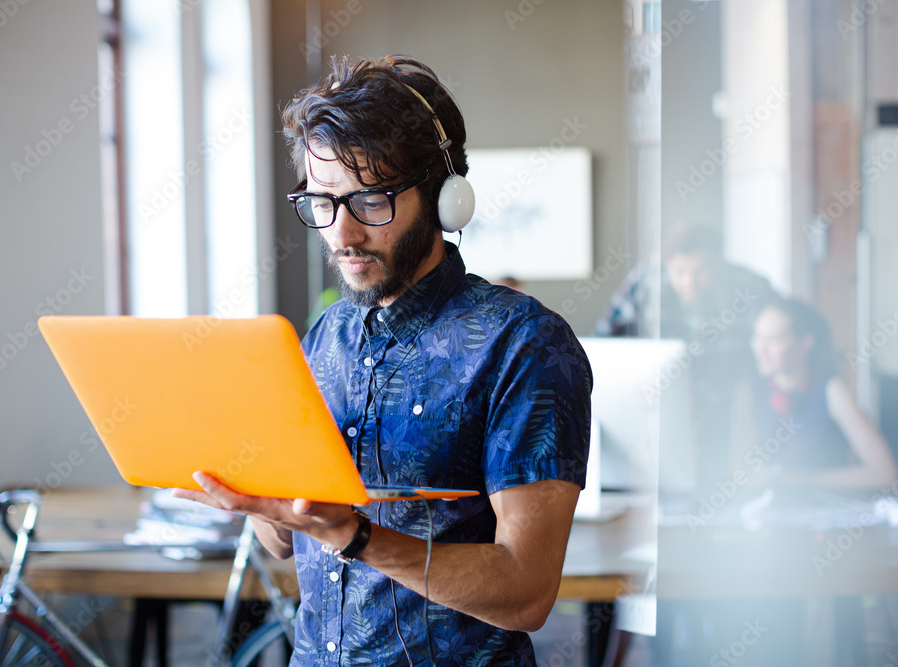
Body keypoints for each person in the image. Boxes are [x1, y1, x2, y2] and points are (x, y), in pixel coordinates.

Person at [174, 55, 592, 666]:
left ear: (444, 195)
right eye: (322, 202)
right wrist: (252, 489)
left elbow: (526, 593)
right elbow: (283, 543)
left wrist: (356, 536)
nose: (341, 234)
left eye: (369, 200)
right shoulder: (323, 338)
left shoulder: (524, 345)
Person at [595, 223, 778, 490]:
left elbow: (782, 333)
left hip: (732, 404)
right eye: (680, 272)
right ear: (666, 264)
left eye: (701, 272)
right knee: (667, 484)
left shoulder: (751, 288)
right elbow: (603, 343)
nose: (689, 282)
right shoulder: (645, 284)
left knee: (724, 484)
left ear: (719, 264)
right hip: (663, 402)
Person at [732, 297, 898, 487]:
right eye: (757, 338)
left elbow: (884, 473)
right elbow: (738, 466)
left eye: (773, 340)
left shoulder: (832, 390)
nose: (760, 349)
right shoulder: (748, 391)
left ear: (805, 342)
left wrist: (802, 481)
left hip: (830, 507)